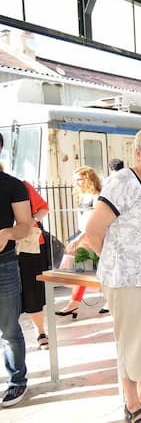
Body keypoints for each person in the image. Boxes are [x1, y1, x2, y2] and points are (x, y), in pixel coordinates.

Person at [85, 127, 141, 423]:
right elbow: (94, 231)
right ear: (137, 153)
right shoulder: (121, 182)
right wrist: (117, 262)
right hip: (128, 281)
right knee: (131, 342)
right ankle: (131, 402)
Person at [0, 132, 32, 407]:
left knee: (9, 330)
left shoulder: (13, 186)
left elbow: (25, 226)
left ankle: (17, 381)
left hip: (5, 267)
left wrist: (7, 232)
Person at [56, 166, 103, 318]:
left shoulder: (97, 197)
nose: (77, 183)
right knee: (83, 271)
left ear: (89, 179)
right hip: (85, 236)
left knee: (88, 271)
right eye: (76, 180)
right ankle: (74, 303)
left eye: (80, 180)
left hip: (91, 237)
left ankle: (74, 303)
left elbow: (94, 222)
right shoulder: (86, 196)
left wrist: (79, 238)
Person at [18, 181, 50, 350]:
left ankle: (41, 332)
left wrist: (29, 222)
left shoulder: (20, 185)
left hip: (29, 245)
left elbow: (44, 208)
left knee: (33, 291)